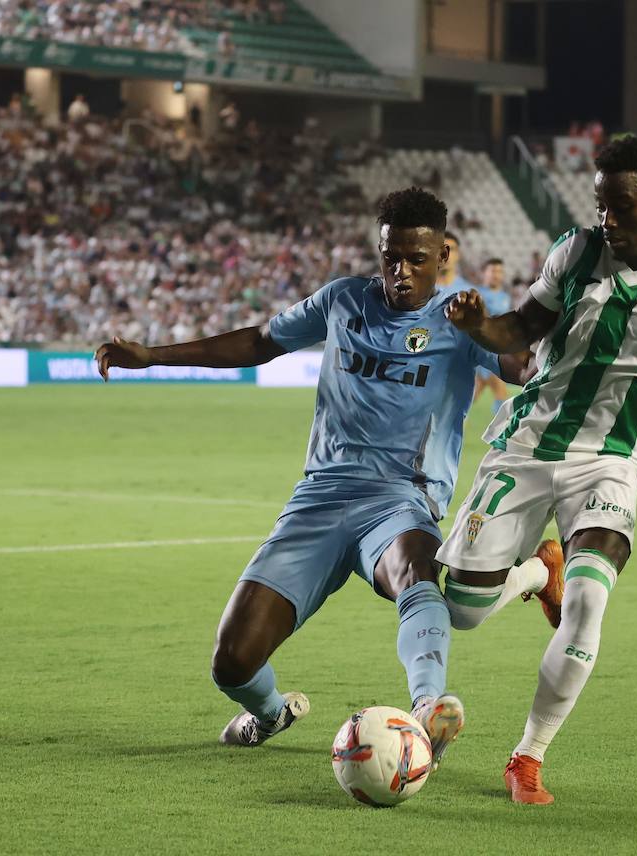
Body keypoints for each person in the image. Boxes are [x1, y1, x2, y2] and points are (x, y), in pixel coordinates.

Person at [95, 187, 526, 765]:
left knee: (415, 569)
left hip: (400, 498)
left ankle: (428, 709)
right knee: (231, 660)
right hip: (319, 497)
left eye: (415, 260)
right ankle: (271, 712)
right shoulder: (343, 300)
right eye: (389, 256)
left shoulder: (461, 320)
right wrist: (153, 356)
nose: (400, 271)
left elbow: (525, 368)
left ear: (443, 257)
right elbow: (259, 341)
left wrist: (486, 331)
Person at [439, 137, 637, 805]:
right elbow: (521, 328)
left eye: (621, 205)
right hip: (527, 444)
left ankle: (528, 755)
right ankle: (530, 572)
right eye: (601, 203)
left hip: (612, 462)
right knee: (461, 609)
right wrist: (477, 327)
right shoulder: (576, 251)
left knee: (586, 607)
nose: (607, 217)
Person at [471, 257, 518, 414]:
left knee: (473, 396)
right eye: (493, 271)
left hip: (497, 351)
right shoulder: (476, 294)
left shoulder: (504, 297)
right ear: (484, 273)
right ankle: (504, 434)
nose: (496, 275)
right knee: (502, 395)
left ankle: (449, 426)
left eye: (499, 271)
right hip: (482, 352)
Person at [436, 231, 476, 296]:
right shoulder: (420, 289)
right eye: (441, 249)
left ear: (458, 254)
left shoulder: (468, 291)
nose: (446, 254)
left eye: (451, 249)